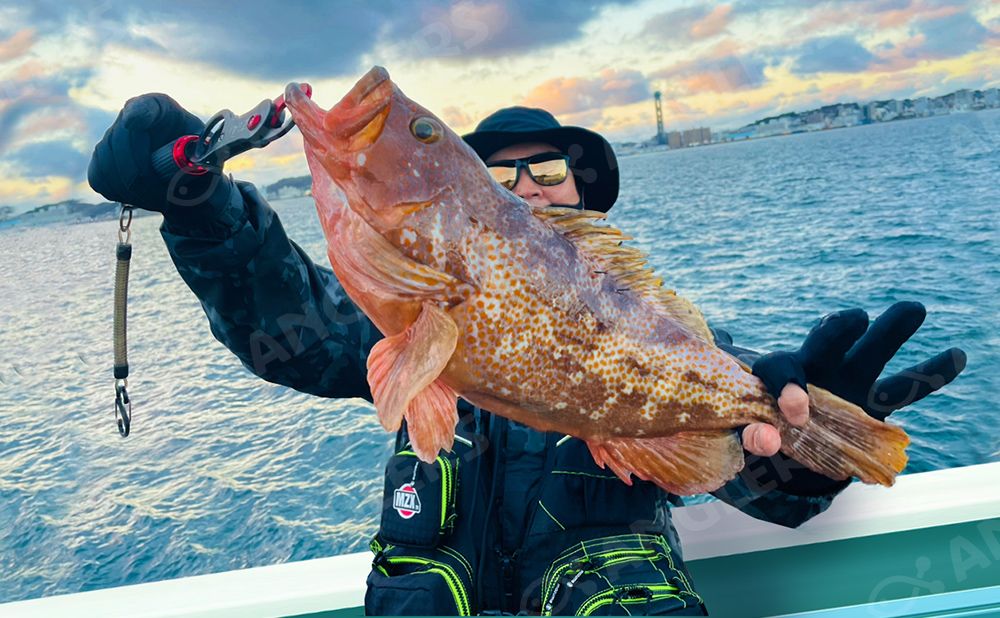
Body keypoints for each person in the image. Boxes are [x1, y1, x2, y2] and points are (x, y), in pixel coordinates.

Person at [88, 94, 965, 615]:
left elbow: (748, 467)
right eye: (499, 175)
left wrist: (806, 445)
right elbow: (296, 329)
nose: (527, 187)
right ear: (474, 204)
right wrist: (205, 213)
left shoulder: (660, 335)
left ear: (584, 195)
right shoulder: (410, 318)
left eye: (548, 170)